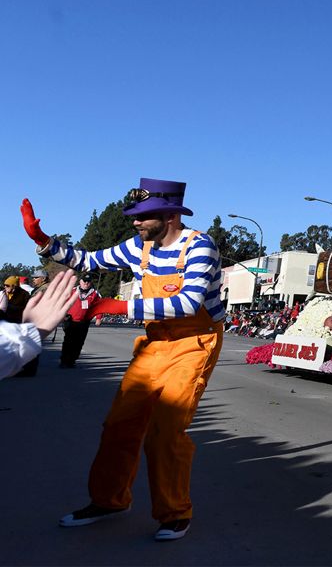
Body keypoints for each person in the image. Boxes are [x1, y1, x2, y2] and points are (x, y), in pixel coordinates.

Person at [20, 177, 225, 542]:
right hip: (154, 342)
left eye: (143, 216)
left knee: (165, 431)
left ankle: (175, 513)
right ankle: (110, 501)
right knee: (119, 425)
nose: (134, 222)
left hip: (194, 343)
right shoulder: (138, 246)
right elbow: (88, 259)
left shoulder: (200, 247)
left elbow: (188, 303)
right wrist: (45, 242)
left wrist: (117, 305)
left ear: (170, 216)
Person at [0, 271, 77, 380]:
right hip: (26, 321)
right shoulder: (38, 289)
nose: (34, 279)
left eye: (36, 277)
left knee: (31, 343)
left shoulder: (44, 289)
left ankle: (29, 369)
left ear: (43, 278)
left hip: (35, 320)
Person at [60, 273, 101, 368]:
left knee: (79, 342)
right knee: (68, 341)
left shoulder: (95, 294)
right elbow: (63, 303)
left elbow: (99, 306)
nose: (86, 283)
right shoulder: (72, 291)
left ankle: (72, 360)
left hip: (84, 322)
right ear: (80, 281)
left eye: (88, 281)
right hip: (71, 320)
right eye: (84, 281)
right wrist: (62, 315)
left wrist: (98, 318)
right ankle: (64, 360)